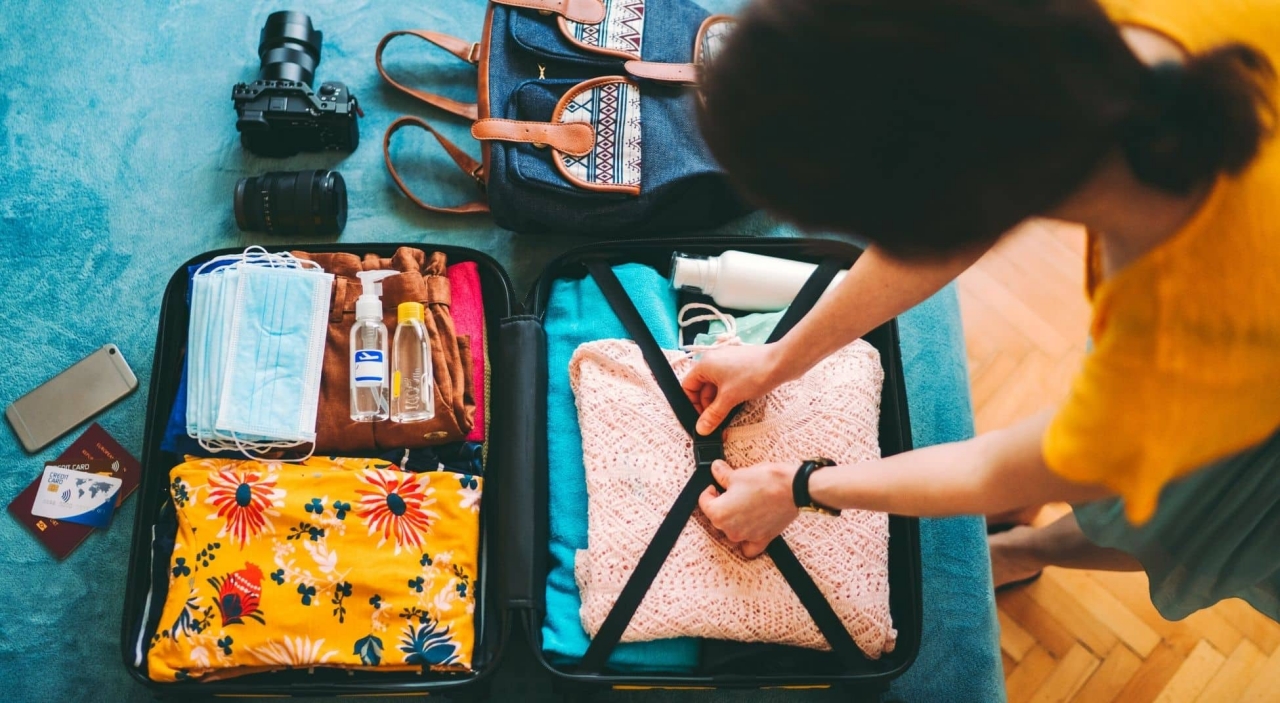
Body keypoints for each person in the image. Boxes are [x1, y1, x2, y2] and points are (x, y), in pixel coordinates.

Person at [686, 0, 1280, 623]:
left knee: (1191, 522)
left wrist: (799, 487)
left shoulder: (1179, 355)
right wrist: (780, 359)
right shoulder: (1051, 69)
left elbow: (1000, 469)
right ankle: (1028, 545)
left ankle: (1023, 551)